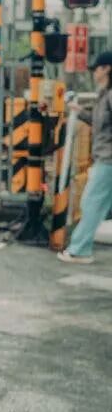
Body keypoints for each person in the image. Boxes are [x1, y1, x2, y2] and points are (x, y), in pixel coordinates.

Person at [58, 50, 112, 265]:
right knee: (96, 204)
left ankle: (80, 250)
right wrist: (78, 111)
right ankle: (80, 247)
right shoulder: (104, 94)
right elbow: (100, 125)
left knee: (91, 203)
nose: (94, 73)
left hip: (108, 160)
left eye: (96, 68)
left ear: (106, 68)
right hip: (105, 158)